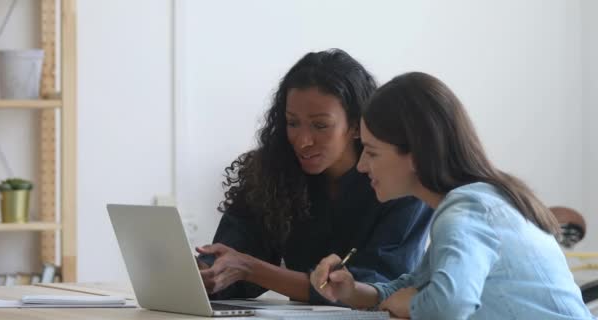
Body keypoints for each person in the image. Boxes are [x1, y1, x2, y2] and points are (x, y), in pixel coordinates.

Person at [310, 72, 593, 319]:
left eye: (372, 152)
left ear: (416, 154)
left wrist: (412, 304)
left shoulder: (468, 209)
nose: (361, 166)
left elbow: (448, 305)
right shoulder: (475, 202)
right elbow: (416, 284)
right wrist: (352, 290)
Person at [196, 49, 433, 304]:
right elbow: (236, 256)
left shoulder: (403, 183)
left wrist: (249, 268)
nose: (303, 141)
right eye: (292, 123)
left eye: (320, 125)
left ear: (356, 125)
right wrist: (207, 273)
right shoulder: (271, 174)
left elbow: (372, 288)